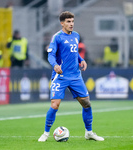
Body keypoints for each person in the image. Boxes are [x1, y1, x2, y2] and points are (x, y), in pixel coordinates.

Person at [38, 11, 104, 142]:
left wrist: (81, 59)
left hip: (75, 76)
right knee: (55, 104)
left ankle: (89, 133)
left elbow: (74, 52)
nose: (71, 24)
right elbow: (50, 55)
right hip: (60, 76)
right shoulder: (57, 37)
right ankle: (45, 134)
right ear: (62, 23)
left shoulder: (76, 36)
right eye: (68, 22)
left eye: (72, 21)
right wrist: (55, 65)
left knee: (86, 103)